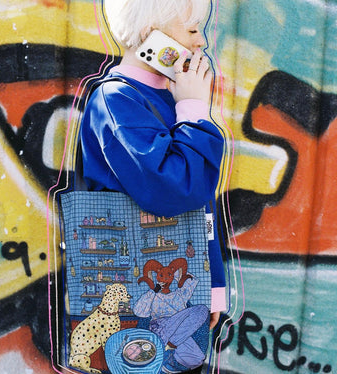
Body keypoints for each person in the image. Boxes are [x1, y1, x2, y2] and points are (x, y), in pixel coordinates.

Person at [79, 0, 226, 372]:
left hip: (181, 289)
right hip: (131, 300)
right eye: (192, 29)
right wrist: (193, 110)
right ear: (150, 33)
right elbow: (174, 190)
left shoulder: (169, 98)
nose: (201, 42)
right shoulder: (117, 101)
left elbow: (201, 208)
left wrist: (215, 286)